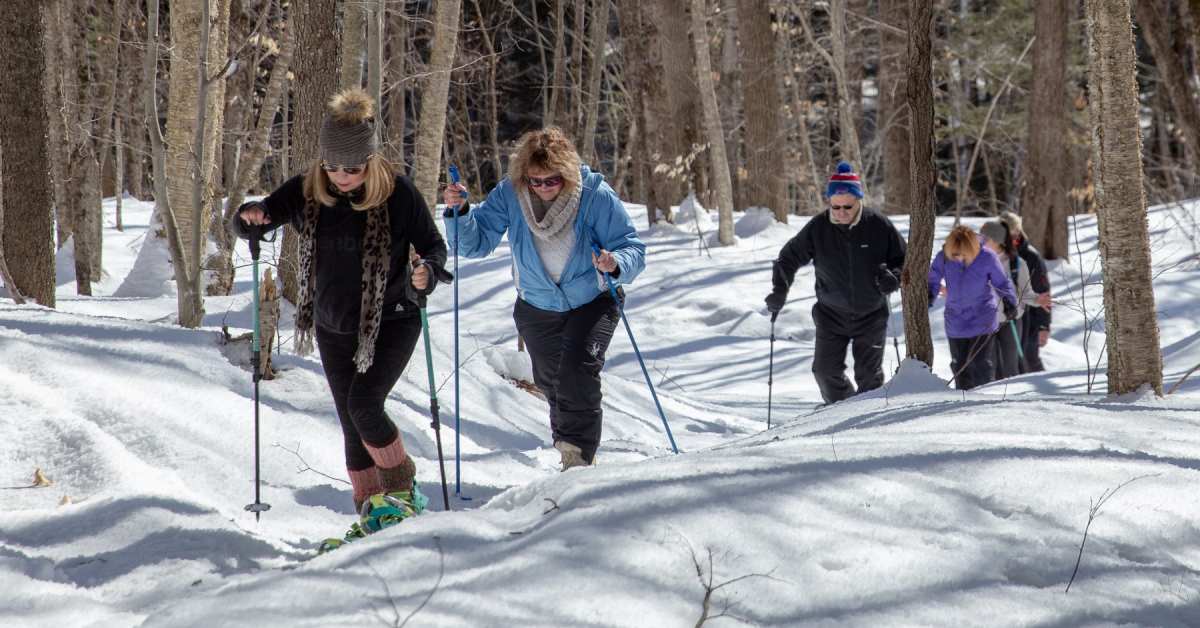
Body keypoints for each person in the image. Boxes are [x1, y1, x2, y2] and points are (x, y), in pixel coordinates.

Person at [231, 88, 450, 522]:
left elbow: (433, 247)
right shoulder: (309, 190)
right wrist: (249, 216)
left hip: (392, 319)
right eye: (332, 167)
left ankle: (402, 496)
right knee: (352, 425)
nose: (341, 177)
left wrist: (425, 271)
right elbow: (260, 217)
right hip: (333, 324)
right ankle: (371, 512)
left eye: (351, 168)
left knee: (365, 406)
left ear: (369, 161)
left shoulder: (399, 194)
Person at [441, 127, 645, 471]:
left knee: (577, 372)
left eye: (551, 180)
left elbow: (632, 247)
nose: (543, 188)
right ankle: (568, 442)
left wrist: (615, 262)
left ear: (566, 174)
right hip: (536, 306)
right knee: (553, 383)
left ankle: (577, 457)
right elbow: (474, 245)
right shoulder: (510, 193)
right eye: (535, 181)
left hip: (593, 300)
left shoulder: (594, 194)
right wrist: (460, 213)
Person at [764, 162, 907, 405]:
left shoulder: (878, 225)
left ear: (859, 200)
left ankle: (867, 423)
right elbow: (788, 258)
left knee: (869, 379)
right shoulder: (819, 228)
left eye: (847, 207)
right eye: (835, 206)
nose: (840, 212)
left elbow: (904, 258)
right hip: (831, 314)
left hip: (871, 314)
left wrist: (894, 277)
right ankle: (843, 411)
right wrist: (779, 290)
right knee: (824, 371)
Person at [928, 225, 1017, 390]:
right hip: (955, 320)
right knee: (959, 365)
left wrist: (1009, 301)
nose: (959, 258)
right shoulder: (944, 256)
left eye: (963, 254)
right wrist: (929, 294)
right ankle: (963, 401)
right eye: (955, 254)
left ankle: (983, 400)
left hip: (982, 318)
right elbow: (933, 278)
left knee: (980, 363)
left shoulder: (987, 257)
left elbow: (1002, 281)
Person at [979, 221, 1051, 380]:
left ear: (997, 241)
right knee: (988, 366)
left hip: (1010, 319)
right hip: (985, 321)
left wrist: (1038, 300)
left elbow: (1026, 293)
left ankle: (1012, 402)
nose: (979, 241)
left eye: (984, 238)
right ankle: (987, 402)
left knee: (1010, 367)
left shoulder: (1016, 264)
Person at [998, 211, 1052, 372]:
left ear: (1017, 232)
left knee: (1028, 360)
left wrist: (1044, 325)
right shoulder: (995, 253)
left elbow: (1043, 292)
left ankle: (1042, 394)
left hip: (1030, 317)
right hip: (1003, 316)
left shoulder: (1030, 257)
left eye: (1011, 233)